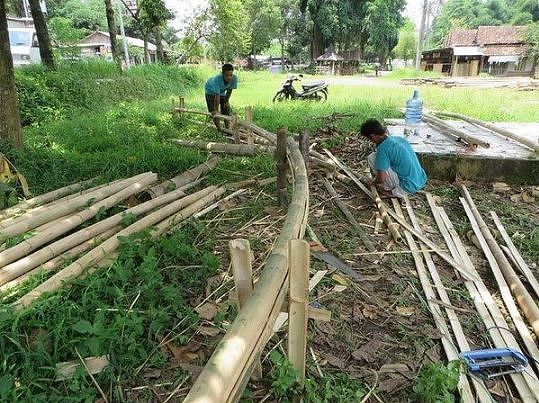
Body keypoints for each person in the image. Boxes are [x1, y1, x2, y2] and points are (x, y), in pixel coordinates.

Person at [360, 118, 427, 198]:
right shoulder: (398, 139)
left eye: (370, 139)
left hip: (407, 187)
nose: (371, 141)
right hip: (420, 180)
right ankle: (398, 187)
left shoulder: (383, 148)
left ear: (373, 136)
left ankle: (390, 190)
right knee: (375, 156)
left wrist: (373, 182)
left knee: (372, 158)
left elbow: (381, 179)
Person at [204, 63, 238, 131]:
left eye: (231, 75)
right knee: (214, 111)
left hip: (221, 92)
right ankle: (219, 129)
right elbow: (217, 97)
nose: (229, 77)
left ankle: (227, 128)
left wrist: (226, 101)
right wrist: (216, 110)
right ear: (222, 74)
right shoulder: (217, 79)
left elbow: (229, 91)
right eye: (227, 75)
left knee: (226, 108)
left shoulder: (234, 78)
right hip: (210, 91)